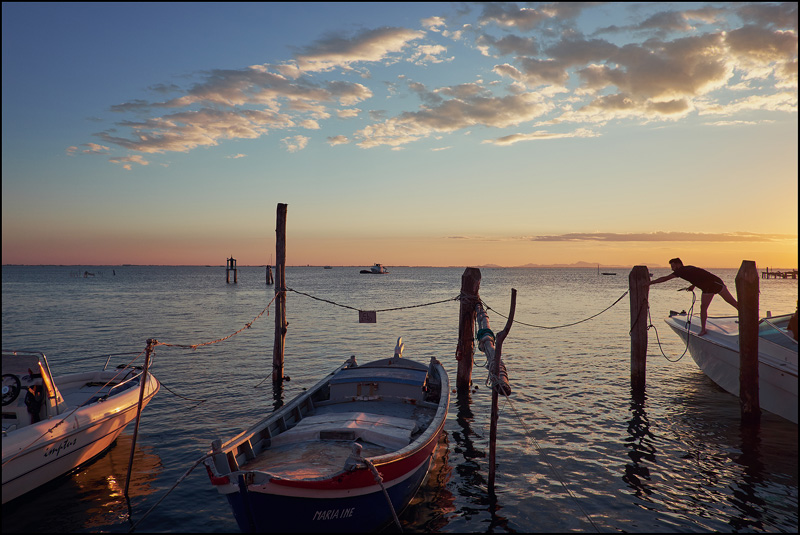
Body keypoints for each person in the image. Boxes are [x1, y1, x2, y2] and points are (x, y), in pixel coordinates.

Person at [648, 258, 738, 336]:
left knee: (703, 307)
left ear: (678, 264)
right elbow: (697, 276)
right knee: (732, 302)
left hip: (710, 286)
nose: (672, 269)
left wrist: (650, 283)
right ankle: (747, 317)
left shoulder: (680, 271)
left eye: (673, 266)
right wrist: (693, 286)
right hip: (717, 282)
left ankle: (703, 330)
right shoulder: (688, 268)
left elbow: (665, 278)